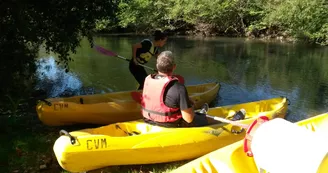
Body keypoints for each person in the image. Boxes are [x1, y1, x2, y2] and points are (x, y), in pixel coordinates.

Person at [141, 51, 209, 127]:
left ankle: (201, 113)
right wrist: (191, 107)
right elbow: (188, 119)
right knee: (202, 119)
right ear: (174, 67)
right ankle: (202, 114)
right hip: (169, 126)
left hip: (148, 120)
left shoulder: (148, 80)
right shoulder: (178, 87)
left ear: (157, 66)